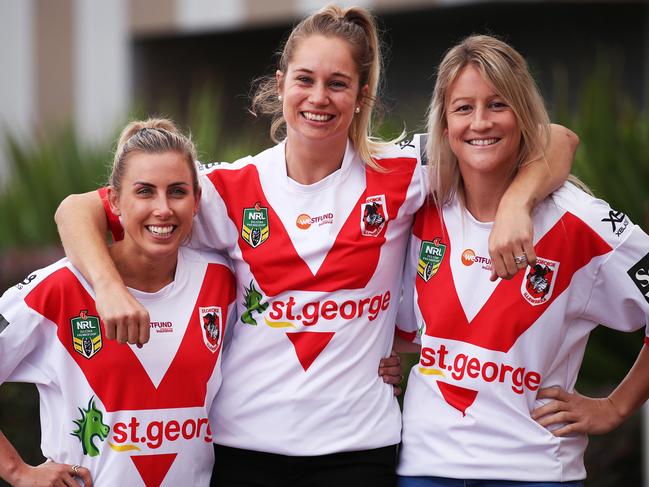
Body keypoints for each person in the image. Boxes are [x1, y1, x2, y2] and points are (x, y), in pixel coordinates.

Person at [54, 6, 577, 487]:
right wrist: (107, 288)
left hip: (360, 451)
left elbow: (555, 138)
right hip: (245, 449)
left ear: (362, 95)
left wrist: (516, 205)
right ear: (281, 85)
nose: (319, 98)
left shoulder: (405, 171)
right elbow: (77, 208)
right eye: (304, 80)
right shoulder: (225, 188)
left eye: (338, 83)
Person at [395, 35, 649, 487]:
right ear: (444, 124)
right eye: (463, 108)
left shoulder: (579, 221)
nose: (480, 123)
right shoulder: (421, 192)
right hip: (425, 467)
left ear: (523, 114)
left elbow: (559, 137)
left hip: (534, 471)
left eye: (497, 105)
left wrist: (615, 406)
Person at [0, 119, 236, 486]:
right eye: (144, 192)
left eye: (177, 192)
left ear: (197, 200)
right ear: (113, 201)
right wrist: (18, 472)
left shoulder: (221, 282)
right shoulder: (59, 287)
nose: (163, 209)